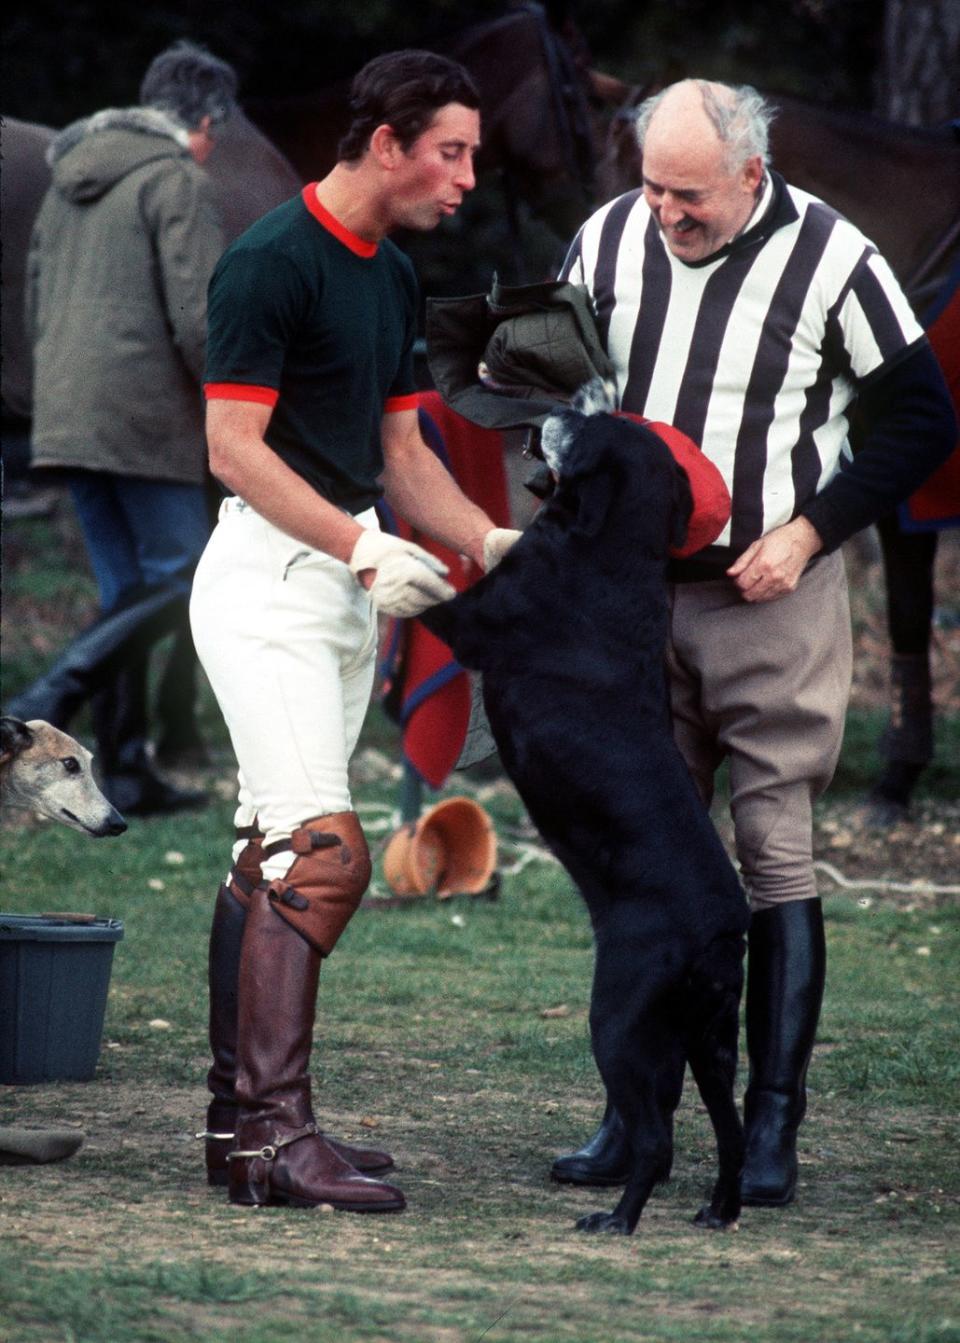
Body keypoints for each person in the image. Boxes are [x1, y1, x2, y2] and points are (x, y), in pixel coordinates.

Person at [550, 79, 956, 1207]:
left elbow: (923, 418)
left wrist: (813, 528)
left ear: (750, 173)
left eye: (690, 194)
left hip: (769, 590)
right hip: (636, 592)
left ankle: (773, 1125)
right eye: (652, 185)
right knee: (647, 856)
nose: (667, 212)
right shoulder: (608, 235)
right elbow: (563, 380)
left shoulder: (835, 256)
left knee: (772, 848)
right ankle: (635, 1113)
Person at [189, 49, 519, 1214]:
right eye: (452, 150)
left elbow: (401, 455)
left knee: (267, 852)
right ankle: (281, 1136)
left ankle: (238, 1124)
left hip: (333, 587)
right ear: (387, 142)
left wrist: (491, 540)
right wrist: (360, 545)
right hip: (265, 582)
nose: (468, 176)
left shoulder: (387, 279)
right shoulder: (271, 259)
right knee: (323, 853)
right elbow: (235, 450)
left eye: (472, 153)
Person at [8, 40, 237, 811]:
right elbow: (199, 315)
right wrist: (231, 400)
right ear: (204, 119)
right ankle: (52, 690)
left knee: (127, 591)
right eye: (216, 134)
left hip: (67, 409)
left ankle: (130, 769)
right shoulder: (178, 177)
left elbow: (35, 296)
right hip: (143, 414)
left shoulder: (66, 176)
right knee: (184, 574)